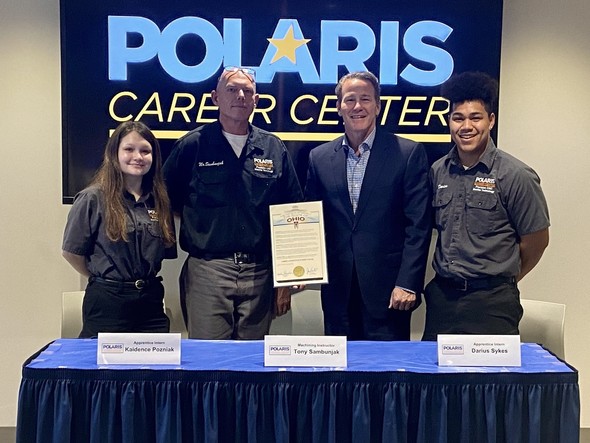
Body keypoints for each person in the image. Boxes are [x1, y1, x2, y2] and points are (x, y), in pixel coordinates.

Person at [163, 66, 303, 340]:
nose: (240, 95)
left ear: (256, 100)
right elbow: (166, 199)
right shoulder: (192, 145)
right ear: (215, 98)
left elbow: (291, 214)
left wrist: (285, 279)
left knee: (251, 364)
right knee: (210, 363)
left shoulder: (273, 148)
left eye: (247, 91)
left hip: (260, 273)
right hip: (208, 270)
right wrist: (202, 226)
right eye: (231, 89)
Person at [422, 71, 550, 340]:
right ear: (449, 122)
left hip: (492, 304)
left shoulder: (515, 175)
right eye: (458, 118)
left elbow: (536, 240)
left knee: (489, 381)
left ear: (490, 121)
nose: (466, 126)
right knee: (435, 381)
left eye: (475, 117)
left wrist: (503, 282)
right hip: (443, 300)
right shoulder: (438, 172)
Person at [304, 71, 432, 340]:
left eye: (365, 99)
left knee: (386, 375)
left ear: (378, 105)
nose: (357, 107)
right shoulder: (319, 158)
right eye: (350, 100)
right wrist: (300, 267)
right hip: (338, 293)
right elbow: (310, 222)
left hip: (389, 294)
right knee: (338, 377)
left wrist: (407, 283)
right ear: (339, 107)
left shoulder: (407, 154)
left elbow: (418, 226)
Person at [62, 121, 176, 338]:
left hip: (150, 301)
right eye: (129, 149)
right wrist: (103, 279)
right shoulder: (93, 198)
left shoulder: (160, 201)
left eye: (145, 151)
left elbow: (166, 250)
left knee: (153, 367)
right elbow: (71, 252)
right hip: (107, 300)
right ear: (114, 153)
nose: (138, 156)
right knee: (106, 371)